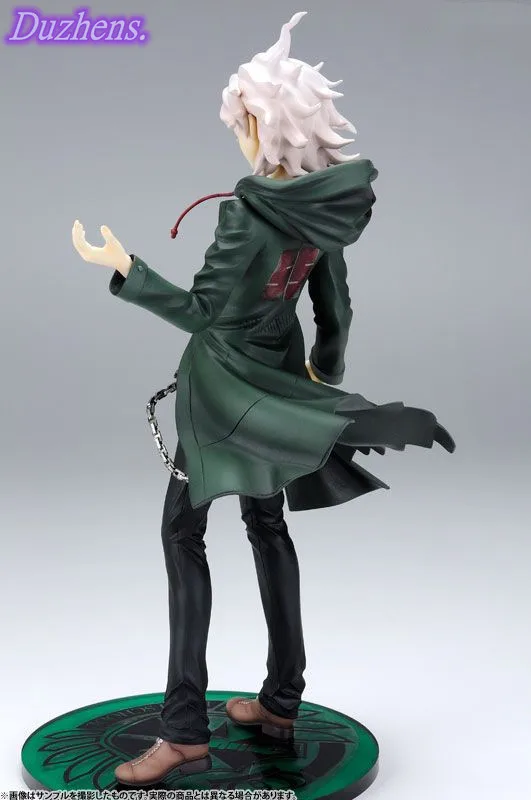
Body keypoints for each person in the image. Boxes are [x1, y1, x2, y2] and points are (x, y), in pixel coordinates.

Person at [71, 11, 455, 787]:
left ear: (260, 122)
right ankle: (281, 701)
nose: (237, 135)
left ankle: (184, 732)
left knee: (182, 534)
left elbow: (203, 314)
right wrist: (319, 372)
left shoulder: (245, 215)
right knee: (267, 525)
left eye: (240, 121)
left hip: (222, 395)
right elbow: (333, 306)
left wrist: (124, 269)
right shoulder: (321, 208)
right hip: (279, 379)